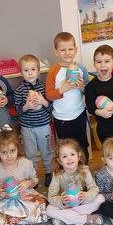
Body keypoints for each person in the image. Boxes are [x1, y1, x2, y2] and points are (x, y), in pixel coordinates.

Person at [0, 127, 48, 225]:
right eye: (4, 152)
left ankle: (13, 219)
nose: (9, 156)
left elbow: (35, 180)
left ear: (18, 148)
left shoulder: (26, 163)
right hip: (3, 199)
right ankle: (16, 218)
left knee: (42, 206)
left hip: (25, 196)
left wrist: (27, 183)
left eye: (12, 151)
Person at [45, 32, 90, 162]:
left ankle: (84, 168)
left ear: (75, 50)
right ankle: (68, 170)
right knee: (65, 149)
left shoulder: (81, 68)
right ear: (56, 52)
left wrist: (82, 87)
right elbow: (49, 95)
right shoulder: (53, 71)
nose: (67, 53)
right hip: (61, 118)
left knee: (82, 145)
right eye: (63, 50)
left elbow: (88, 90)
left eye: (70, 49)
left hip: (79, 114)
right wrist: (62, 89)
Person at [13, 54, 53, 187]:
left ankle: (48, 172)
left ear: (38, 71)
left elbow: (50, 107)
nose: (30, 73)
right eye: (26, 70)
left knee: (46, 151)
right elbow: (17, 111)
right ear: (21, 72)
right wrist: (27, 106)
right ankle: (33, 176)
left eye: (33, 69)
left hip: (44, 126)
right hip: (27, 128)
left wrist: (43, 101)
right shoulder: (19, 90)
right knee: (30, 154)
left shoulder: (44, 87)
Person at [46, 138, 105, 225]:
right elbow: (51, 196)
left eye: (72, 154)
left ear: (79, 155)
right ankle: (87, 218)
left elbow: (94, 188)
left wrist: (86, 196)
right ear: (59, 161)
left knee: (101, 198)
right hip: (66, 205)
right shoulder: (57, 175)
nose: (69, 158)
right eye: (64, 156)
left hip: (82, 202)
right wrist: (61, 200)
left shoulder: (84, 170)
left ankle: (66, 217)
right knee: (49, 210)